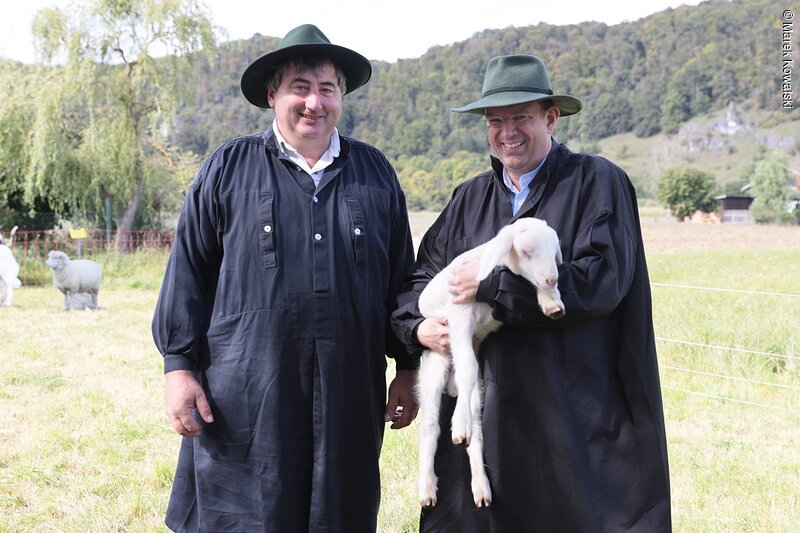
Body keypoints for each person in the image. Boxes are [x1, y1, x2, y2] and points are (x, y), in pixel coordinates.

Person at [152, 24, 418, 532]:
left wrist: (407, 367)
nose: (312, 102)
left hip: (349, 387)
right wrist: (178, 367)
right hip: (245, 389)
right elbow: (188, 270)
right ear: (273, 94)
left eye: (326, 88)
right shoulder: (228, 168)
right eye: (300, 86)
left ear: (341, 96)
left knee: (340, 510)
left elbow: (401, 279)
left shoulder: (374, 173)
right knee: (246, 512)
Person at [392, 54, 671, 532]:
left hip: (569, 413)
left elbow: (601, 281)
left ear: (551, 117)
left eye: (521, 116)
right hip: (486, 415)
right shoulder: (468, 199)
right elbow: (419, 280)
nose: (507, 131)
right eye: (495, 120)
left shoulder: (597, 184)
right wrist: (419, 329)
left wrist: (495, 288)